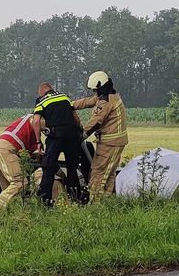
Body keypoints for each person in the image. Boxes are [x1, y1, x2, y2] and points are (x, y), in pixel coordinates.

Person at [72, 71, 128, 202]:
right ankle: (106, 201)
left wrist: (81, 136)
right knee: (109, 173)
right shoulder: (110, 96)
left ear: (100, 87)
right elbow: (88, 101)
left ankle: (95, 203)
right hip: (113, 142)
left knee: (99, 172)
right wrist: (70, 104)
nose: (94, 93)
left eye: (94, 90)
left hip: (111, 143)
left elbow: (95, 122)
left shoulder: (106, 102)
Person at [33, 83, 88, 205]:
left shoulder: (41, 100)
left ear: (41, 92)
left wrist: (38, 142)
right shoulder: (65, 97)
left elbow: (36, 122)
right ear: (51, 89)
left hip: (56, 135)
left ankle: (44, 201)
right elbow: (76, 119)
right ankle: (76, 198)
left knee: (48, 167)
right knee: (72, 168)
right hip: (72, 135)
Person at [0, 112, 41, 208]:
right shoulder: (35, 119)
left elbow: (35, 153)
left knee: (9, 189)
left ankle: (7, 215)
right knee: (20, 182)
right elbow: (39, 154)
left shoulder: (29, 128)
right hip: (6, 150)